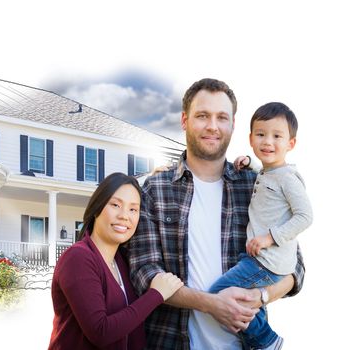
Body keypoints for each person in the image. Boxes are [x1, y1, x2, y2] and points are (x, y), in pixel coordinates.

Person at [127, 78, 305, 350]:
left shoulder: (255, 184)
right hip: (170, 341)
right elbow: (144, 272)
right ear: (185, 120)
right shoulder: (156, 189)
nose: (212, 126)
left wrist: (262, 295)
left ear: (233, 125)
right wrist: (212, 304)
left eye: (222, 117)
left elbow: (295, 266)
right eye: (202, 116)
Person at [208, 102, 313, 349]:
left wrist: (269, 237)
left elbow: (305, 216)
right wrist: (249, 163)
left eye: (277, 136)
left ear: (291, 144)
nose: (268, 142)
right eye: (261, 134)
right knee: (250, 303)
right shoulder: (267, 172)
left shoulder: (288, 178)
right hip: (259, 258)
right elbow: (267, 179)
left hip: (266, 261)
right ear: (251, 139)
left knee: (217, 295)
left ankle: (266, 340)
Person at [49, 172, 184, 350]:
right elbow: (101, 332)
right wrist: (156, 295)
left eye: (133, 209)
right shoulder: (78, 258)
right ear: (97, 208)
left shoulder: (121, 260)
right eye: (115, 205)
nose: (124, 216)